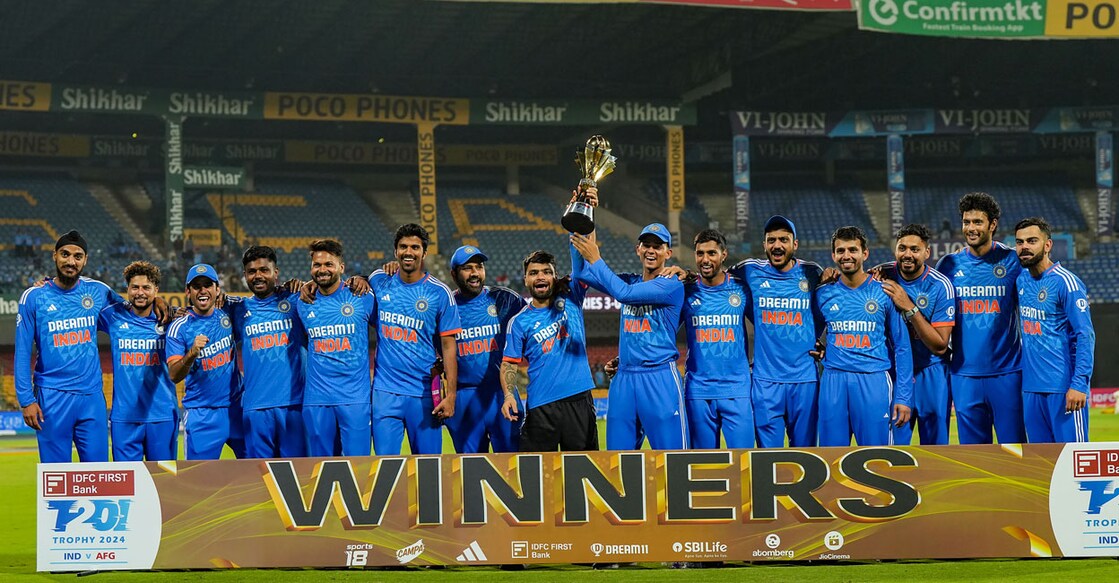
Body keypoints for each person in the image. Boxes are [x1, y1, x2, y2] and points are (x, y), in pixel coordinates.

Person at [572, 223, 687, 451]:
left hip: (659, 377)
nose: (651, 250)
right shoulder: (630, 280)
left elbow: (624, 295)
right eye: (646, 245)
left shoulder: (672, 284)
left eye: (658, 246)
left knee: (672, 460)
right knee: (617, 459)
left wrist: (596, 258)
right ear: (638, 249)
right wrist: (581, 222)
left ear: (668, 253)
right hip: (624, 377)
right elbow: (581, 274)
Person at [16, 231, 122, 462]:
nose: (71, 261)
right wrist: (26, 400)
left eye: (77, 256)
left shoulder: (98, 291)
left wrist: (159, 302)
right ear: (55, 256)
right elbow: (22, 352)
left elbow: (134, 313)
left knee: (98, 476)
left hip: (91, 396)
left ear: (85, 260)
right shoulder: (33, 297)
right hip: (51, 397)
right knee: (57, 479)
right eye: (65, 254)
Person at [936, 192, 1026, 444]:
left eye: (977, 222)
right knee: (975, 457)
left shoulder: (1012, 260)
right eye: (966, 222)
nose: (971, 228)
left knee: (1015, 451)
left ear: (992, 224)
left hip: (1007, 373)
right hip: (964, 375)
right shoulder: (948, 265)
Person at [730, 216, 825, 448]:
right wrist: (688, 277)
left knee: (805, 455)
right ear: (764, 245)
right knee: (766, 458)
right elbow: (717, 279)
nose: (777, 245)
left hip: (804, 381)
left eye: (784, 239)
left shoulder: (812, 273)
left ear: (795, 244)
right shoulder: (749, 270)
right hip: (765, 382)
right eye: (771, 240)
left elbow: (826, 310)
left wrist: (819, 339)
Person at [815, 226, 913, 447]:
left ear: (865, 253)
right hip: (833, 381)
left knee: (877, 456)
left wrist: (903, 396)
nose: (846, 256)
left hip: (873, 380)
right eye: (840, 251)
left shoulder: (885, 292)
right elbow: (807, 331)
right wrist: (818, 346)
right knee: (831, 458)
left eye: (853, 250)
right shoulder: (823, 293)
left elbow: (902, 347)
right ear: (833, 256)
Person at [368, 224, 461, 455]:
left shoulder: (440, 293)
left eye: (414, 247)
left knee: (429, 467)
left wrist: (450, 396)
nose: (408, 252)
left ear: (424, 252)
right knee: (385, 467)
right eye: (403, 247)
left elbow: (449, 346)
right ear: (395, 251)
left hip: (424, 394)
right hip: (385, 392)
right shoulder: (379, 281)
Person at [501, 249, 598, 451]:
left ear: (555, 277)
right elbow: (509, 363)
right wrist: (509, 395)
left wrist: (581, 225)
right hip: (541, 407)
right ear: (526, 279)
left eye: (546, 271)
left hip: (578, 400)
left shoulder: (572, 297)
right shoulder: (518, 322)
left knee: (583, 470)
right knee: (536, 475)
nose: (540, 277)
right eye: (534, 272)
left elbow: (582, 262)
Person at [1014, 217, 1095, 443]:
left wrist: (1079, 384)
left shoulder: (1066, 283)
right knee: (1042, 466)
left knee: (1072, 462)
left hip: (1063, 388)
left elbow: (1085, 335)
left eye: (1032, 241)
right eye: (1019, 243)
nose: (1025, 247)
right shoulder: (1021, 280)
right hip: (1031, 389)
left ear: (1047, 245)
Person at [295, 239, 377, 457]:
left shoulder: (362, 296)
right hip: (317, 400)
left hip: (355, 399)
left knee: (358, 468)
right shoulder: (303, 302)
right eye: (317, 265)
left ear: (341, 267)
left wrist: (365, 278)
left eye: (328, 264)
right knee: (319, 470)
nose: (322, 270)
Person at [876, 224, 955, 445]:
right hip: (895, 373)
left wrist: (909, 307)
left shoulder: (940, 286)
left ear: (926, 252)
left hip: (931, 371)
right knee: (894, 445)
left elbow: (940, 345)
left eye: (915, 249)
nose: (907, 254)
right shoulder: (882, 276)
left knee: (936, 447)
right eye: (902, 248)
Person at [226, 246, 307, 458]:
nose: (258, 276)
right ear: (245, 275)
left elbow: (329, 289)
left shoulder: (296, 301)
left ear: (276, 272)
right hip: (255, 409)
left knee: (297, 477)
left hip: (294, 406)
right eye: (252, 271)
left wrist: (363, 278)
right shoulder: (238, 309)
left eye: (264, 270)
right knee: (259, 481)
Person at [443, 245, 526, 453]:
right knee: (470, 470)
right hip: (464, 397)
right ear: (454, 273)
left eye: (479, 267)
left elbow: (538, 317)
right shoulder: (445, 305)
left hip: (502, 393)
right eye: (467, 268)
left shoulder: (507, 300)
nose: (474, 273)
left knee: (513, 464)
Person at [98, 261, 179, 461]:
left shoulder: (171, 320)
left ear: (156, 290)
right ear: (127, 289)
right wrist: (49, 282)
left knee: (163, 485)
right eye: (135, 287)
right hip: (124, 418)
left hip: (162, 416)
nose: (140, 292)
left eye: (146, 288)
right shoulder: (113, 316)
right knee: (126, 487)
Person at [681, 229, 754, 449]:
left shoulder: (742, 289)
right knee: (703, 467)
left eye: (711, 253)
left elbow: (767, 325)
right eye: (700, 253)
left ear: (724, 255)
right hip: (698, 391)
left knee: (745, 464)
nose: (705, 259)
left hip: (737, 389)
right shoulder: (685, 290)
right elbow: (661, 329)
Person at [166, 263, 244, 460]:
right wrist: (192, 353)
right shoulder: (179, 327)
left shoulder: (229, 314)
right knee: (200, 482)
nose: (203, 290)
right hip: (202, 414)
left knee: (257, 474)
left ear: (217, 289)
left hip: (238, 408)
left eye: (208, 285)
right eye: (197, 286)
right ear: (188, 291)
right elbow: (174, 375)